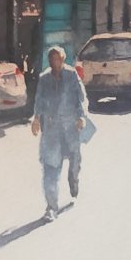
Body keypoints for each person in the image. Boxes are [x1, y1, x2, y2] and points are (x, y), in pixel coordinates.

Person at [31, 46, 87, 222]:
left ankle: (73, 184)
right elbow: (39, 100)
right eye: (51, 59)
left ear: (63, 60)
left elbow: (81, 98)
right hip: (51, 130)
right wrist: (36, 119)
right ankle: (51, 207)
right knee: (50, 167)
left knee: (74, 164)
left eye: (57, 59)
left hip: (70, 128)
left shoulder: (72, 75)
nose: (54, 62)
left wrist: (81, 117)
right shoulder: (44, 78)